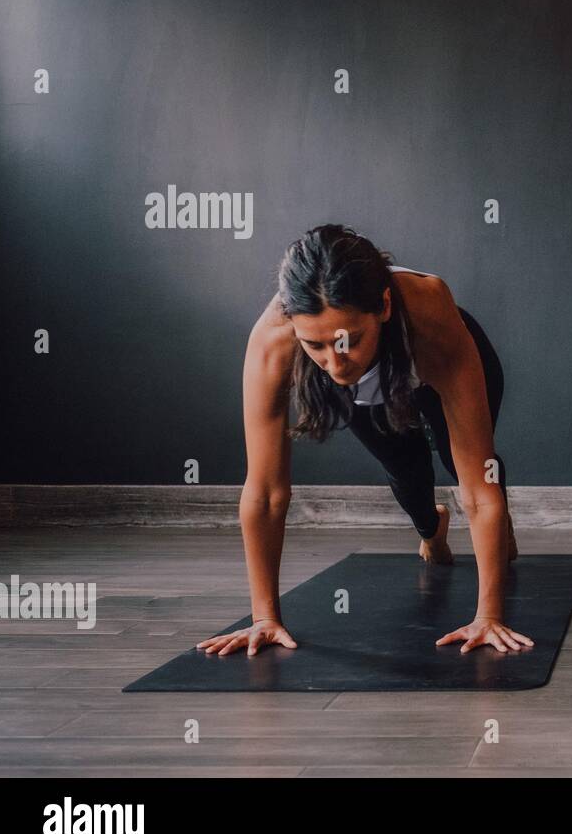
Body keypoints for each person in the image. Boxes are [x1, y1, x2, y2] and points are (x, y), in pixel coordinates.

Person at [197, 224, 531, 657]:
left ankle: (502, 533)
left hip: (436, 359)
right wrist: (264, 617)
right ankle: (432, 530)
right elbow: (264, 493)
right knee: (407, 476)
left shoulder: (430, 314)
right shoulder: (273, 342)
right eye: (315, 345)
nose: (334, 364)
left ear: (384, 306)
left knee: (463, 463)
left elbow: (478, 487)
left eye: (348, 341)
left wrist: (489, 616)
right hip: (370, 389)